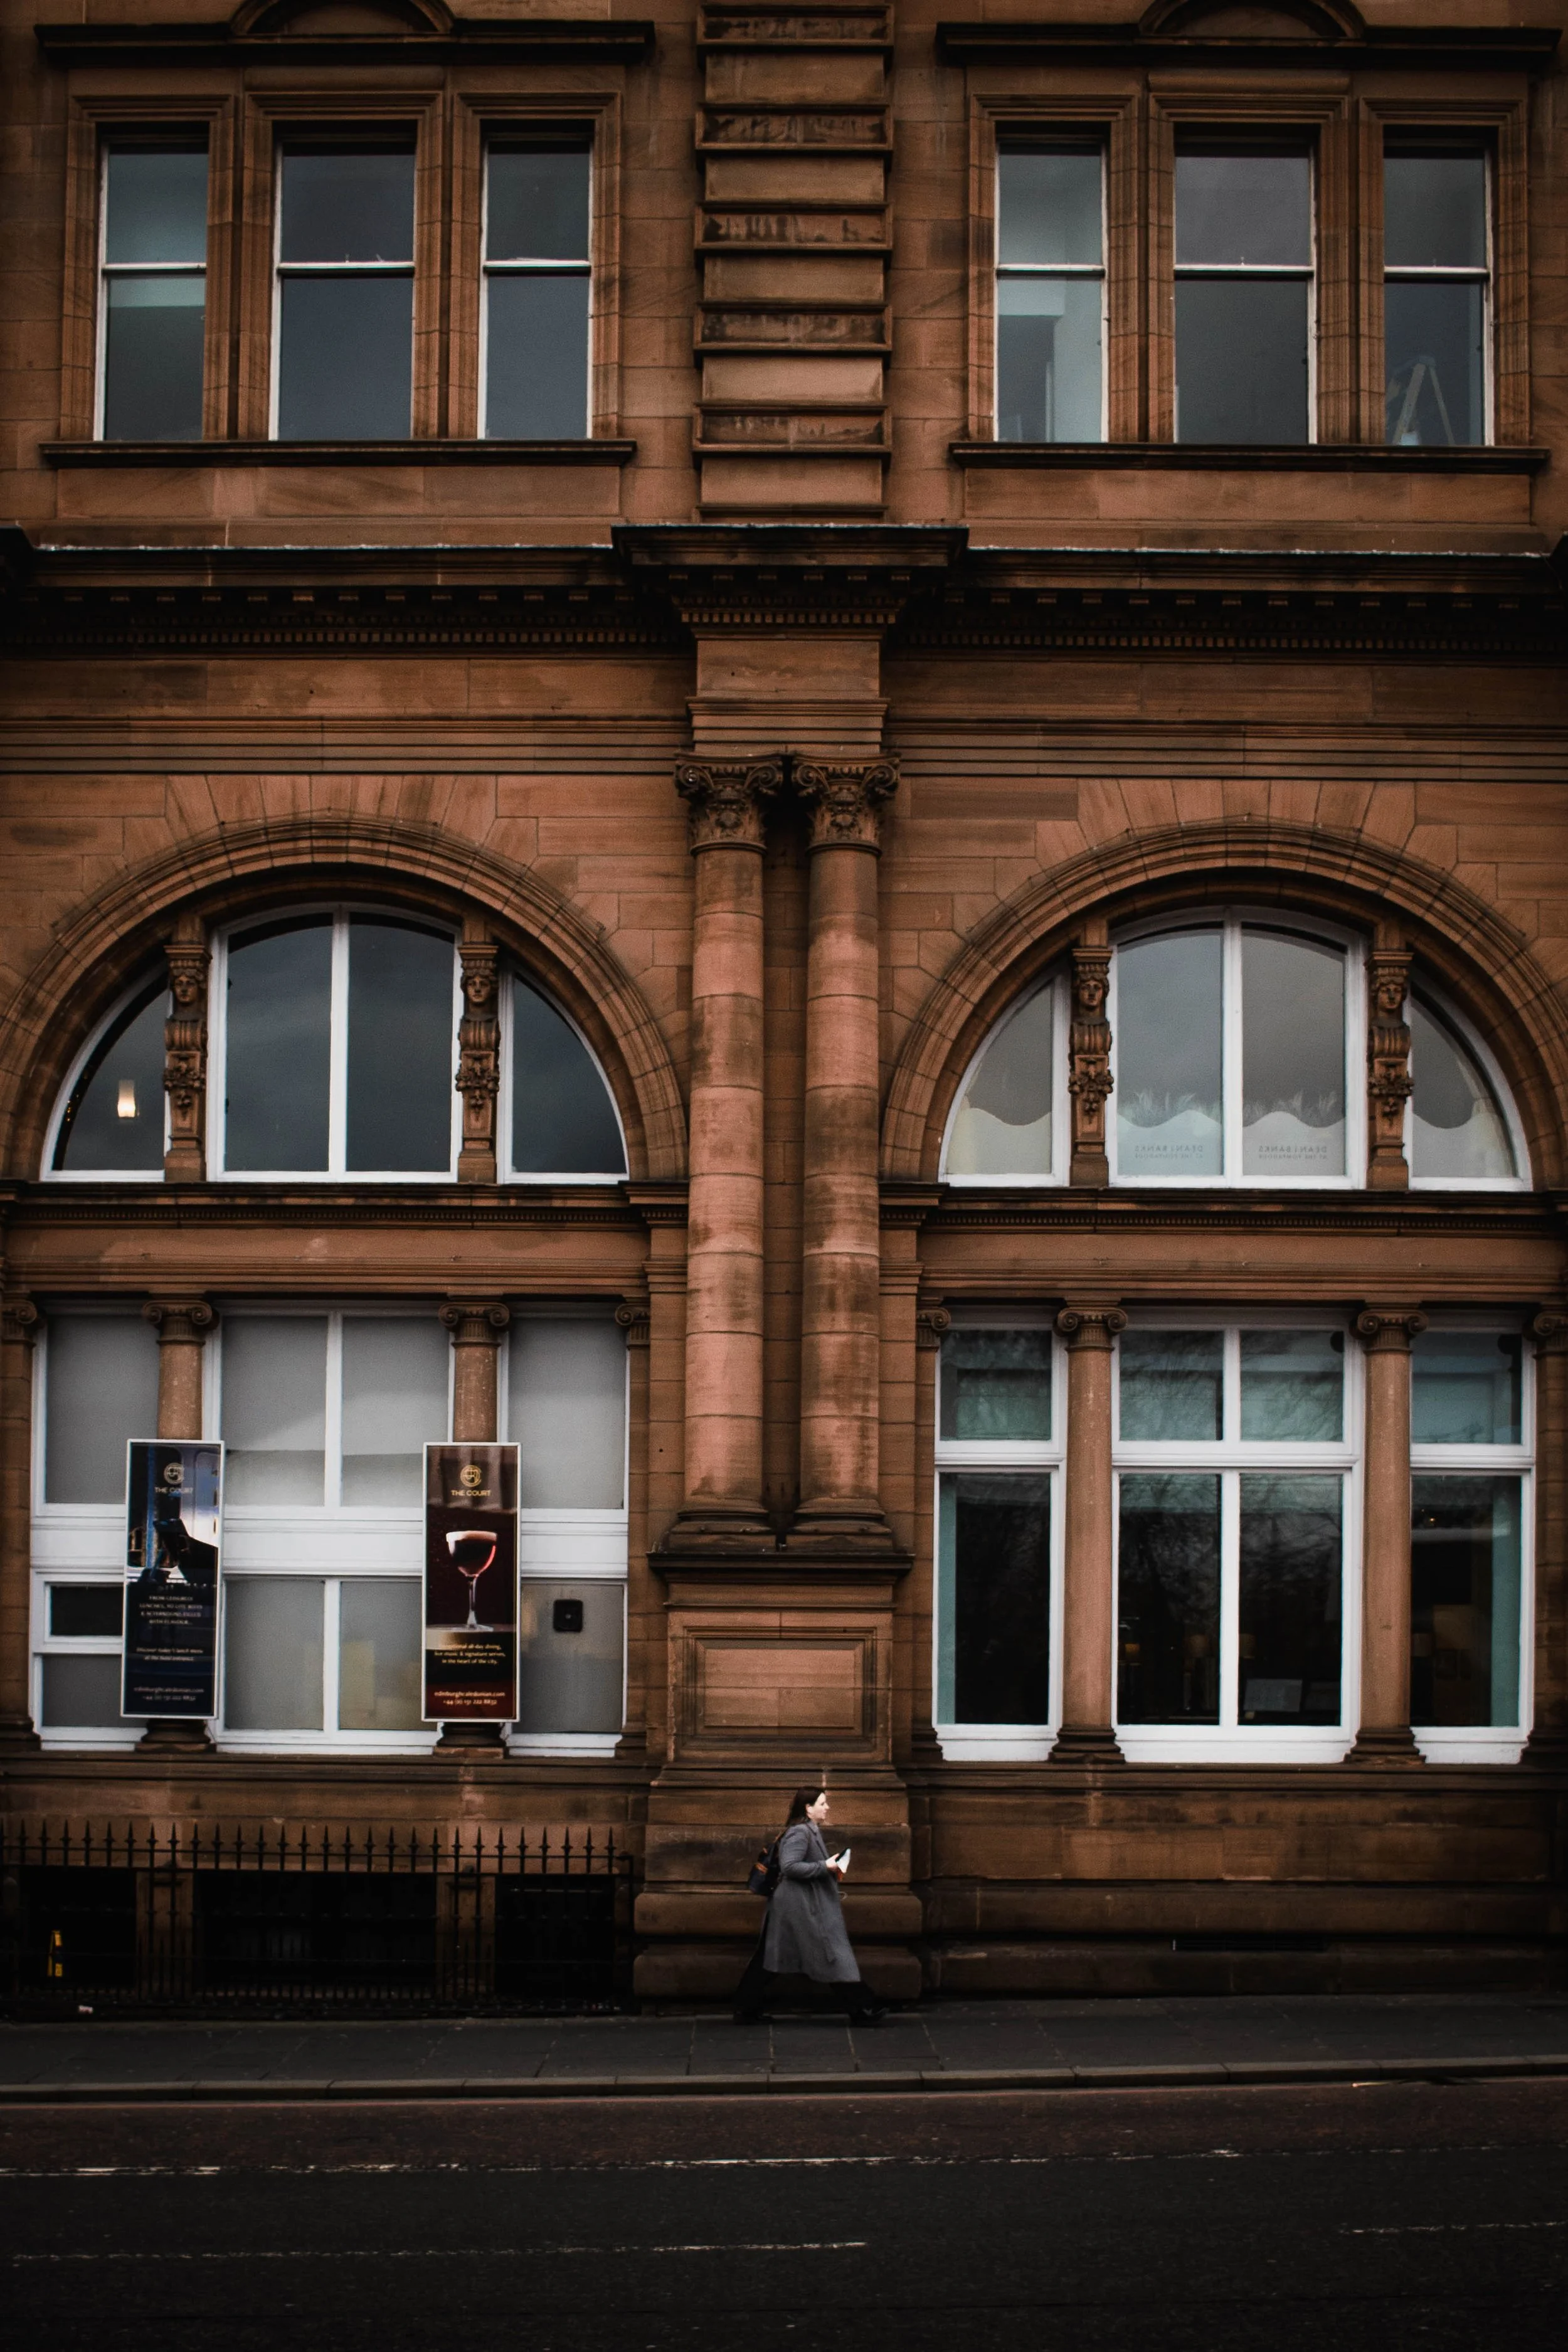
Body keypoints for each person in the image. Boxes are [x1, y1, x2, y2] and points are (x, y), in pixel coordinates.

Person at [733, 1786, 889, 2025]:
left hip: (796, 1904)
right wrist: (825, 1867)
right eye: (822, 1803)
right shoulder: (800, 1833)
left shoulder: (808, 1830)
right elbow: (790, 1867)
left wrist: (830, 1867)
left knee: (770, 1958)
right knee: (831, 1955)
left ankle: (746, 2008)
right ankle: (863, 2007)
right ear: (808, 1808)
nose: (827, 1808)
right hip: (799, 1906)